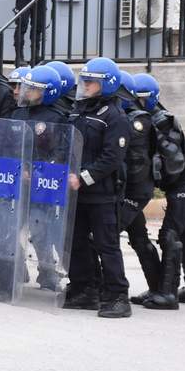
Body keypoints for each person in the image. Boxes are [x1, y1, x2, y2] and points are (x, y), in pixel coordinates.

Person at [65, 57, 131, 318]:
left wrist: (84, 177)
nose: (86, 85)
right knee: (77, 242)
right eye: (85, 80)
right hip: (76, 191)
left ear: (107, 85)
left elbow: (112, 158)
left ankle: (117, 296)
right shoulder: (79, 110)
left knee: (107, 245)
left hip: (102, 194)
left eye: (91, 82)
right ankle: (85, 289)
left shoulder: (115, 117)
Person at [137, 73, 185, 308]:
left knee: (170, 234)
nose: (137, 103)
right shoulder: (145, 119)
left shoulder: (163, 121)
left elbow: (173, 164)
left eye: (142, 98)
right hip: (176, 184)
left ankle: (167, 293)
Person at [11, 65, 67, 290]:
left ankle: (47, 272)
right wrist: (20, 166)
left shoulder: (56, 117)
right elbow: (8, 143)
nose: (27, 92)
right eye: (27, 87)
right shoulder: (18, 113)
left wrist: (39, 171)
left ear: (48, 91)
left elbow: (61, 151)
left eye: (33, 89)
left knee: (40, 228)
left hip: (43, 183)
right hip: (16, 180)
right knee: (8, 225)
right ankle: (14, 268)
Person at [114, 72, 161, 306]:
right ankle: (158, 287)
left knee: (107, 235)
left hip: (134, 191)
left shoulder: (137, 121)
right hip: (128, 190)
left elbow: (134, 165)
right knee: (139, 238)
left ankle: (111, 288)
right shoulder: (124, 116)